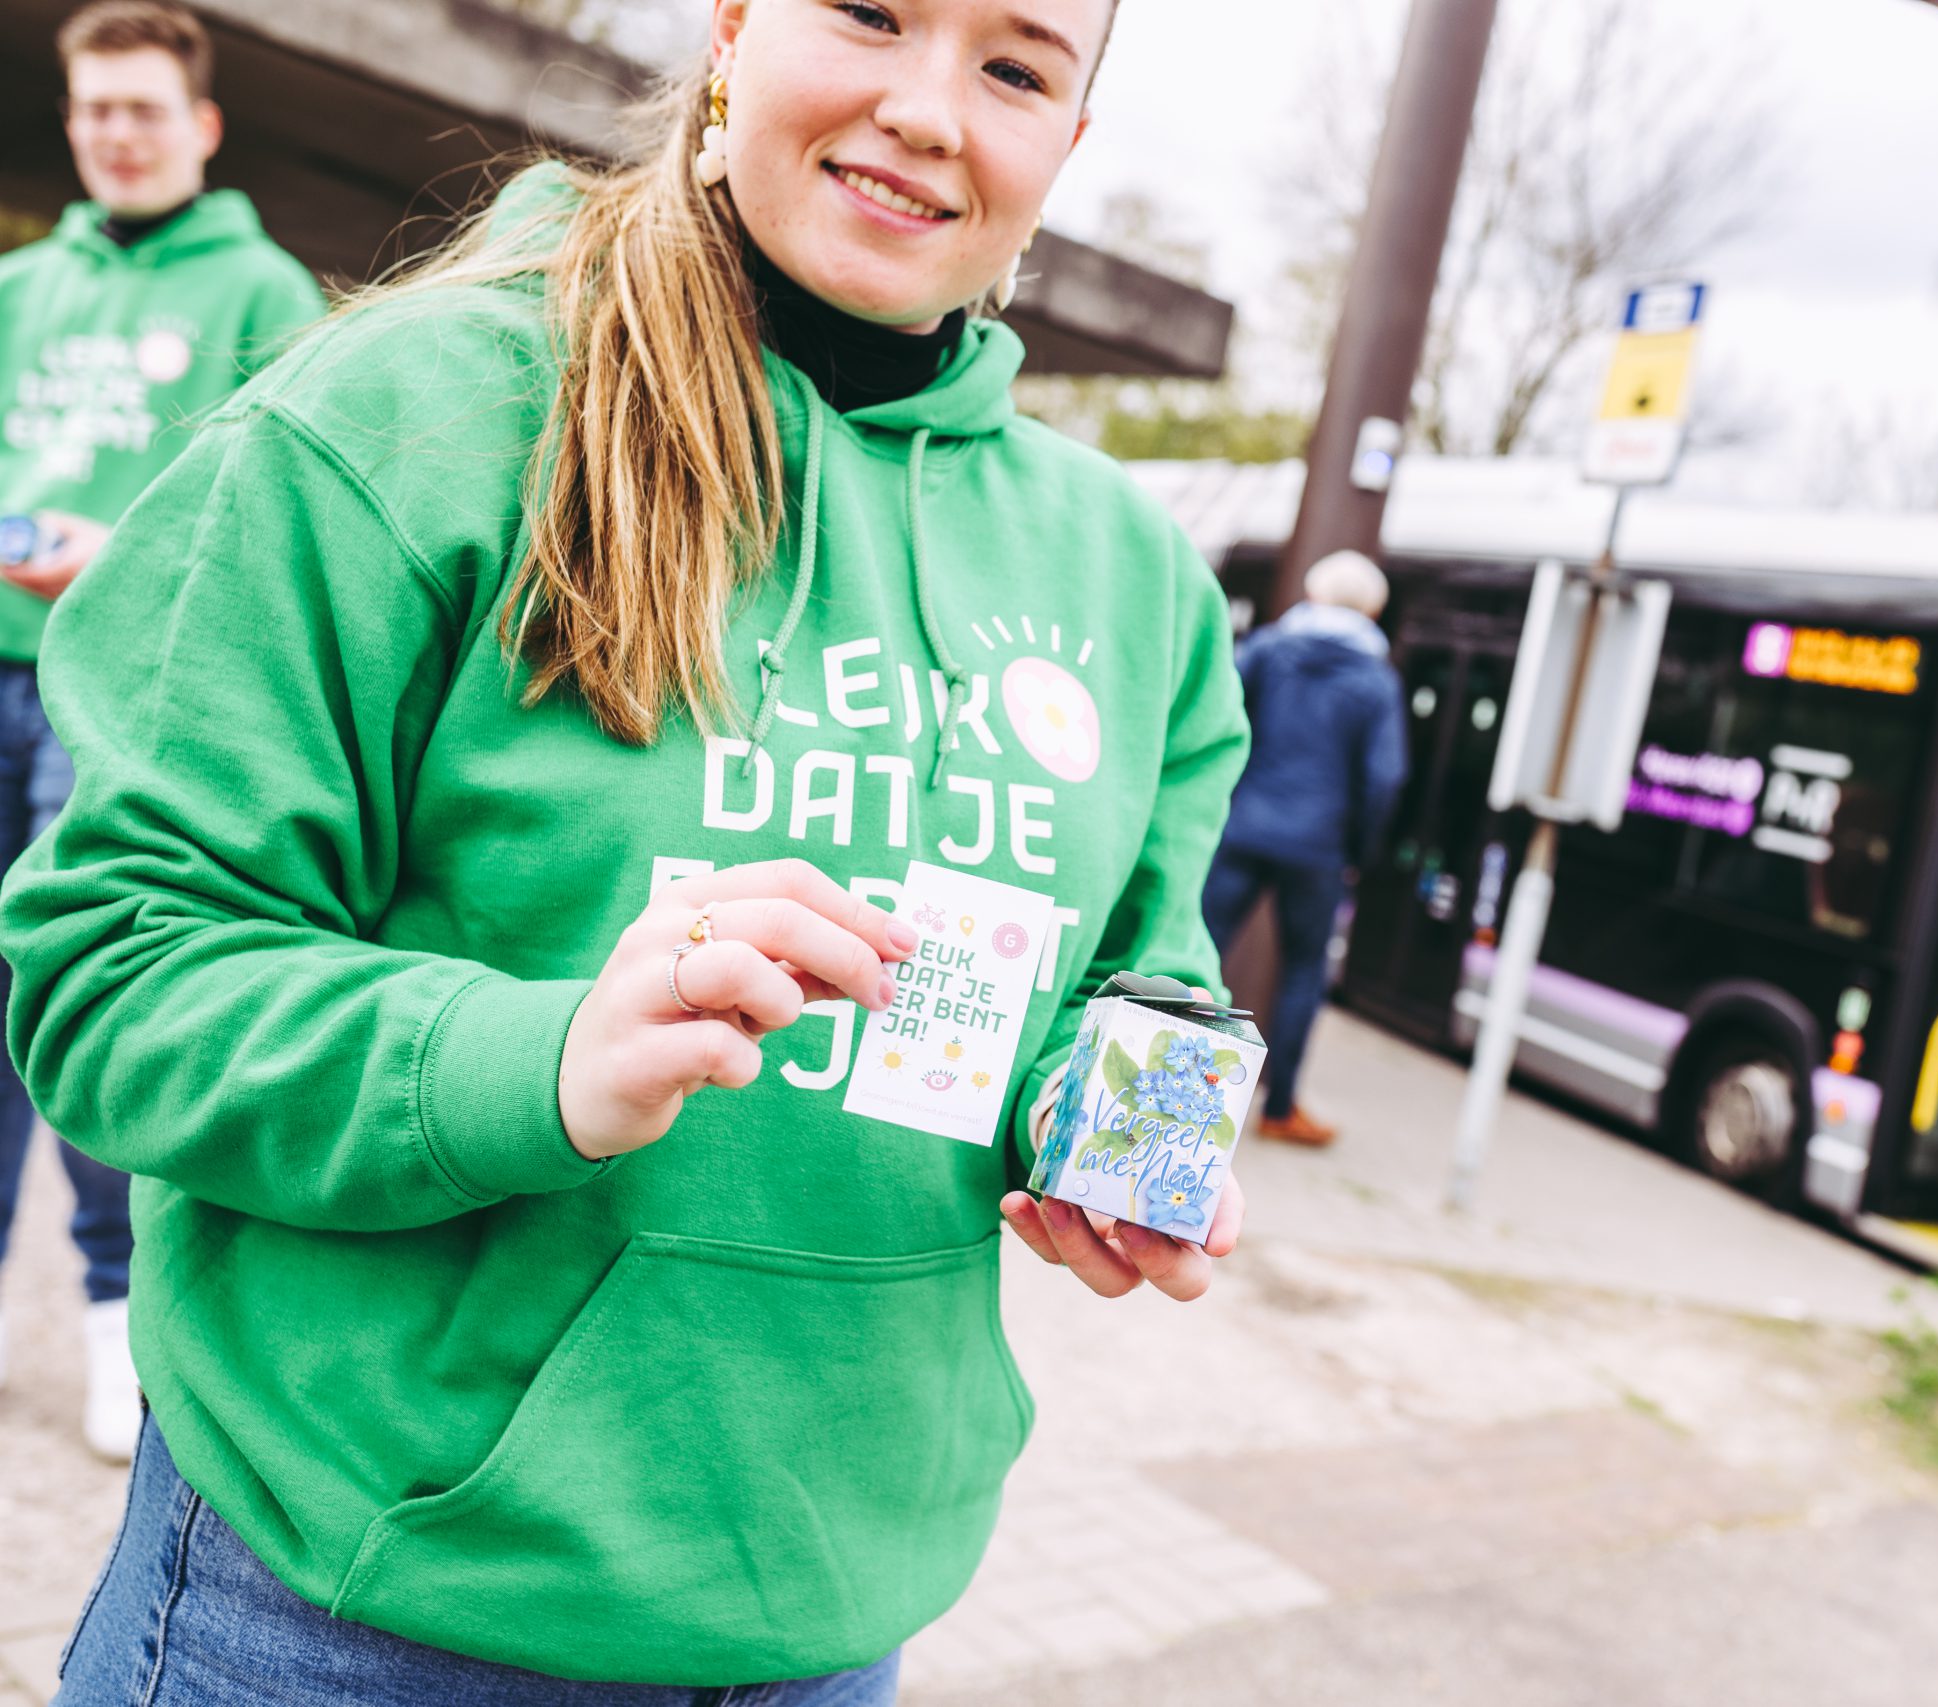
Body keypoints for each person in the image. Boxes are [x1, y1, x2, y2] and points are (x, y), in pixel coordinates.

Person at [8, 0, 1246, 1698]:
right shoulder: (410, 411)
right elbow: (112, 969)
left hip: (827, 1619)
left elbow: (1128, 971)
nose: (929, 108)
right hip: (349, 1610)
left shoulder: (1132, 573)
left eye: (1016, 67)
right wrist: (538, 1056)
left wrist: (1103, 1121)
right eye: (871, 13)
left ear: (1070, 144)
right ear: (733, 28)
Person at [0, 0, 324, 1463]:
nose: (116, 133)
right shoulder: (21, 289)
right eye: (94, 109)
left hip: (120, 690)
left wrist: (113, 547)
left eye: (143, 108)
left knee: (93, 993)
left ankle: (122, 1321)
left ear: (199, 126)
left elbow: (285, 508)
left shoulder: (262, 290)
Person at [1203, 549, 1408, 1146]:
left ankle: (1160, 1075)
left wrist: (1221, 801)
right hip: (1317, 848)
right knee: (1302, 973)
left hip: (1241, 827)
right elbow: (1385, 777)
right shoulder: (1376, 678)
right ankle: (1281, 1106)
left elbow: (1218, 719)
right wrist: (1358, 851)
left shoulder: (1267, 649)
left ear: (1314, 594)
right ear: (1372, 609)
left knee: (1202, 947)